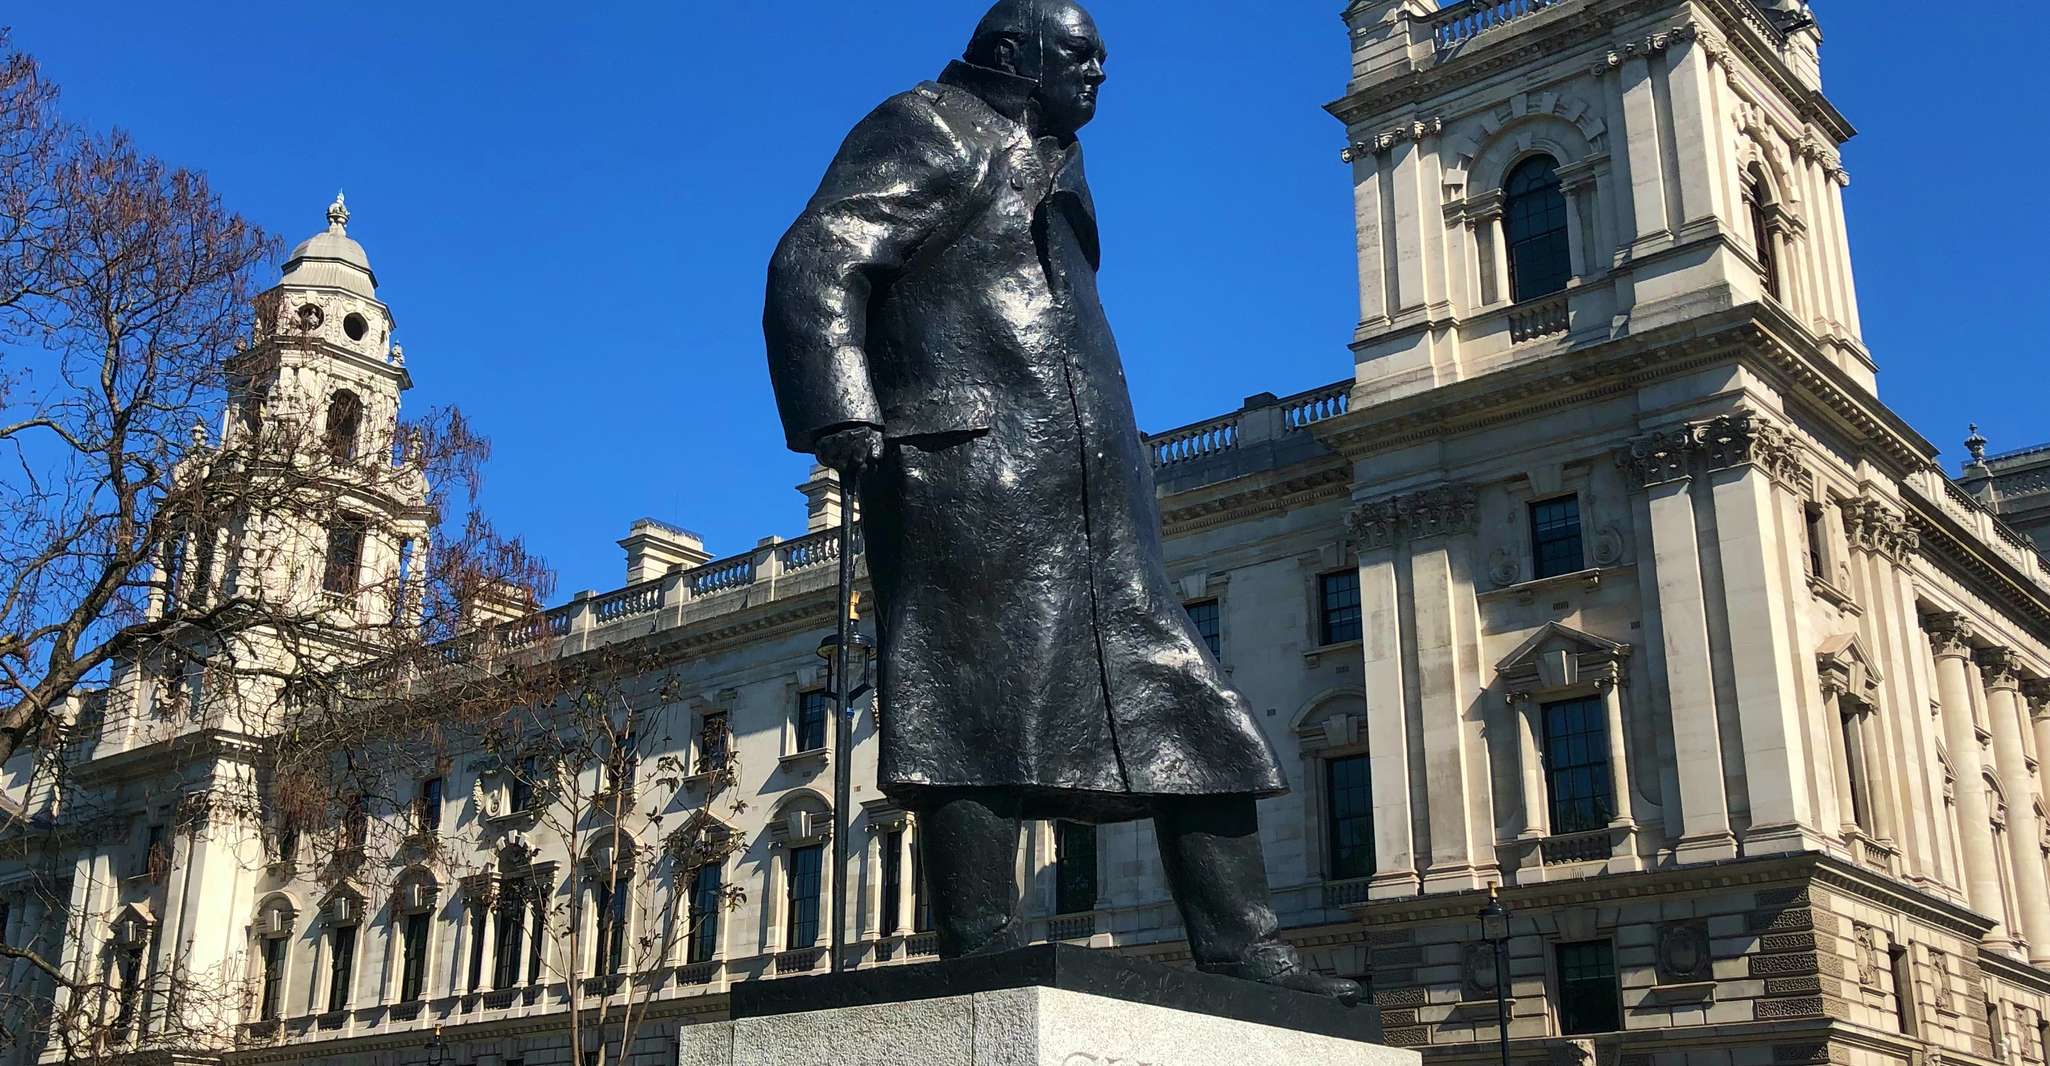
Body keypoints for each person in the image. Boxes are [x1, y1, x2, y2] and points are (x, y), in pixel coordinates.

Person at [764, 0, 1358, 1003]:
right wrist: (841, 413)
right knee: (968, 706)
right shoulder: (929, 124)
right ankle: (980, 943)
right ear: (1011, 54)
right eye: (1080, 57)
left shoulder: (1047, 154)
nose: (1098, 76)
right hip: (966, 471)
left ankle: (1244, 944)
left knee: (1191, 707)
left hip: (1085, 496)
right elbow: (815, 258)